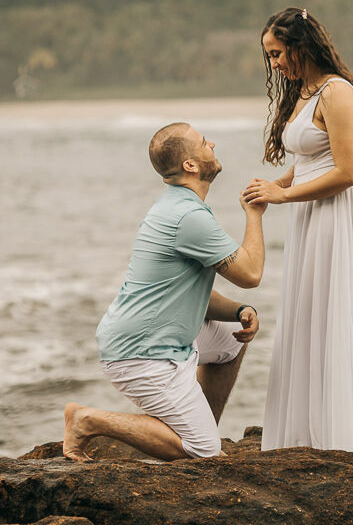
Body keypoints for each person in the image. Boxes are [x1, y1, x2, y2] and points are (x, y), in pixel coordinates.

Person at [243, 7, 353, 455]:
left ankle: (346, 434)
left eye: (277, 53)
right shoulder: (303, 91)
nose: (274, 64)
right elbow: (309, 161)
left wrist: (284, 197)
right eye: (270, 56)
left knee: (337, 309)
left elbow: (348, 172)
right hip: (310, 212)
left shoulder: (338, 93)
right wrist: (273, 186)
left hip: (338, 213)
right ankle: (307, 430)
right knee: (311, 310)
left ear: (301, 45)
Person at [63, 123, 266, 461]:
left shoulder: (177, 206)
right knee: (204, 452)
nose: (212, 144)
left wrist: (239, 310)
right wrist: (254, 214)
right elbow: (250, 273)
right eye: (204, 142)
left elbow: (185, 295)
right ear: (191, 164)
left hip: (153, 337)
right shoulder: (188, 216)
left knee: (232, 338)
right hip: (141, 352)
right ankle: (87, 420)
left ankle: (194, 428)